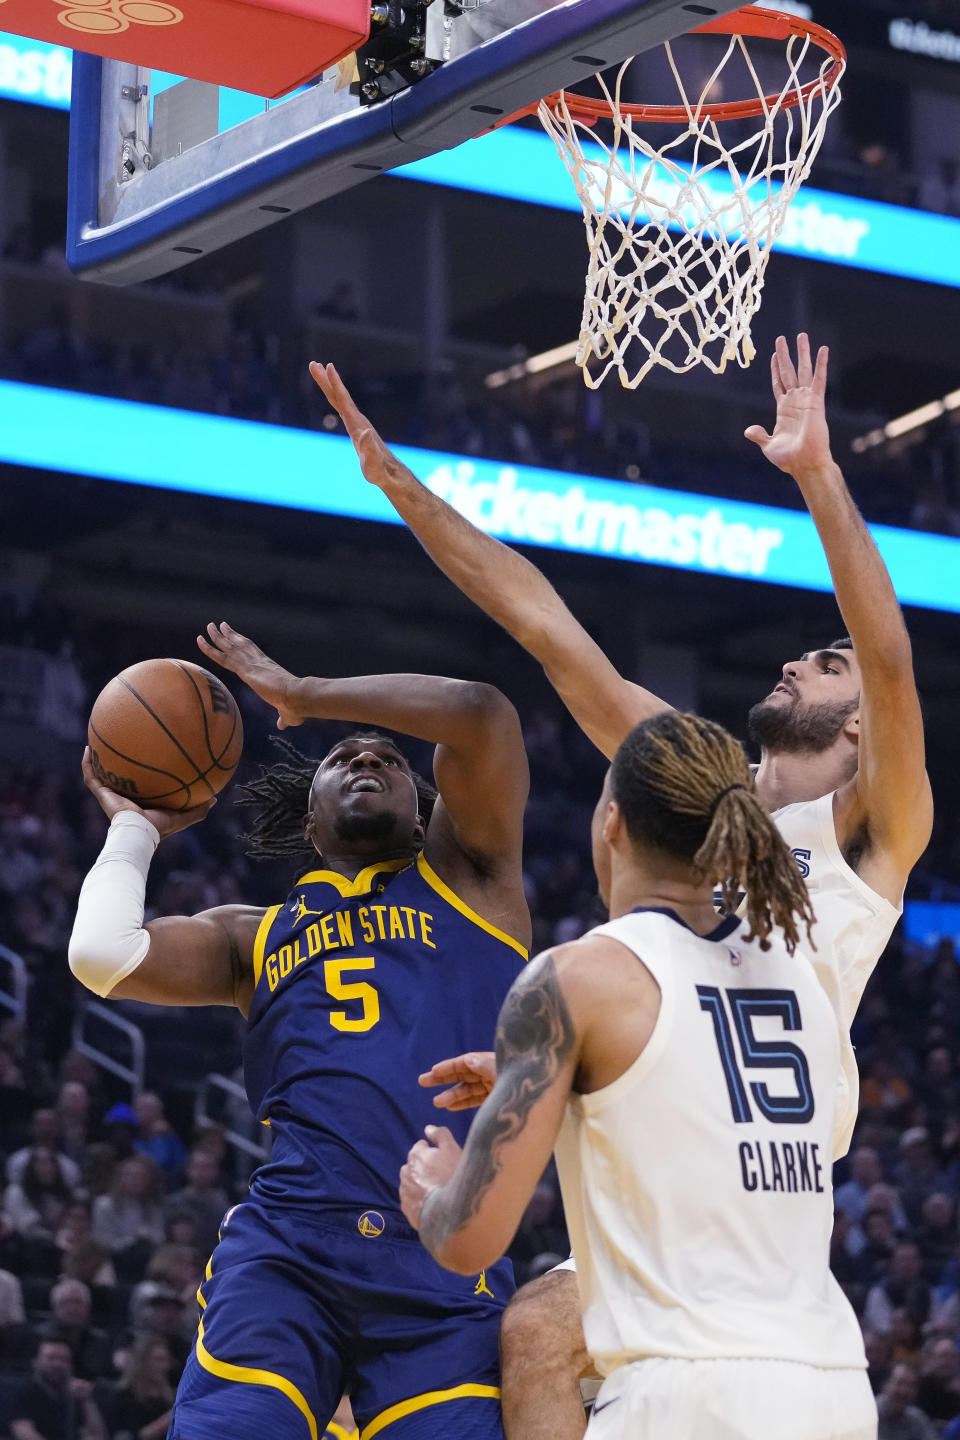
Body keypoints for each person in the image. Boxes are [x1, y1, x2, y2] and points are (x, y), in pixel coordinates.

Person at [312, 334, 932, 1439]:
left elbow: (889, 661)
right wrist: (399, 485)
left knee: (539, 1311)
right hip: (715, 1168)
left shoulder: (867, 838)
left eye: (822, 665)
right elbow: (548, 628)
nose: (799, 662)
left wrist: (821, 479)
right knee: (538, 1332)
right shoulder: (700, 793)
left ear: (855, 732)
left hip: (749, 1187)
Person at [68, 632, 530, 1440]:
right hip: (290, 1248)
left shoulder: (472, 879)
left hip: (445, 1245)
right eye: (343, 756)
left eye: (389, 758)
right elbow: (102, 955)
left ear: (424, 817)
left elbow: (482, 715)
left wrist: (309, 693)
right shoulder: (251, 937)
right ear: (310, 824)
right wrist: (134, 827)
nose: (365, 755)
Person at [400, 710, 874, 1440]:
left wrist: (434, 1193)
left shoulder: (578, 976)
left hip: (683, 1396)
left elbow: (471, 1239)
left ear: (612, 822)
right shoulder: (799, 977)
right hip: (832, 1390)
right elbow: (700, 1095)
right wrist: (561, 1081)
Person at [10, 1336, 108, 1440]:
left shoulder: (73, 1395)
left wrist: (87, 1400)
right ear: (35, 1362)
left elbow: (98, 1436)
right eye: (51, 1358)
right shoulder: (23, 1390)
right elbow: (24, 1432)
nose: (57, 1364)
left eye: (64, 1360)